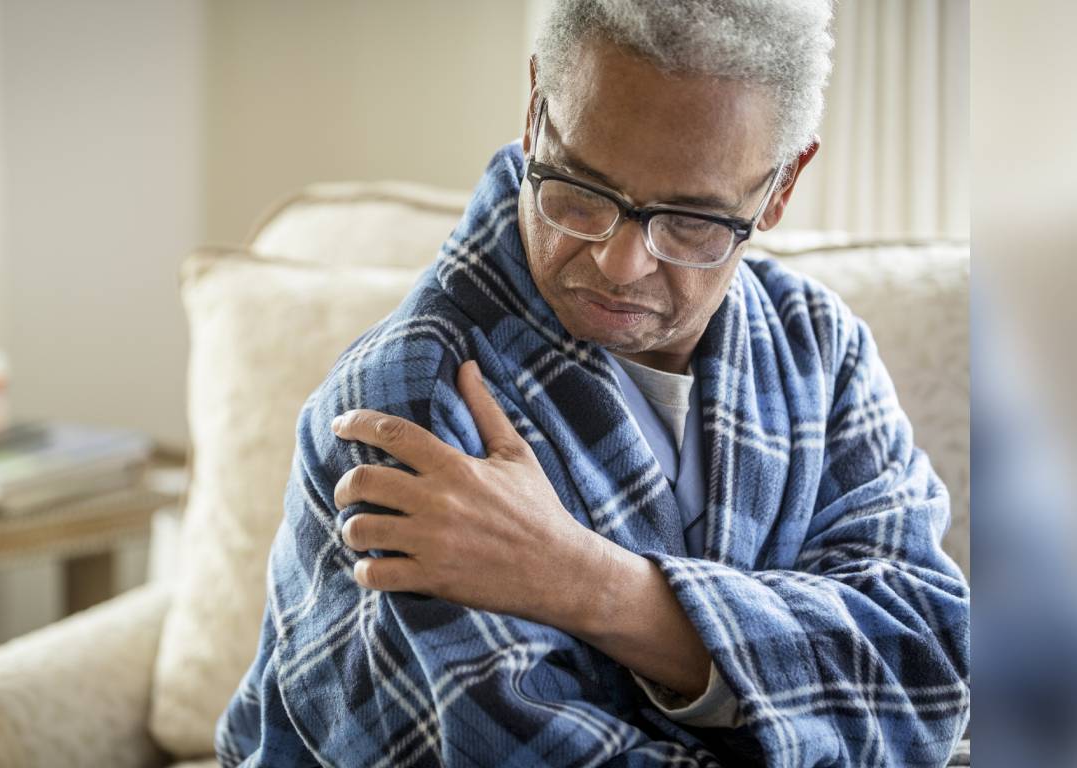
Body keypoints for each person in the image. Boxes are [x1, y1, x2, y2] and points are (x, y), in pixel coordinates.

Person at [217, 1, 970, 765]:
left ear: (780, 186)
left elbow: (932, 667)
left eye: (689, 220)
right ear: (537, 107)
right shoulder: (408, 402)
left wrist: (590, 583)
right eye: (581, 190)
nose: (620, 262)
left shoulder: (816, 343)